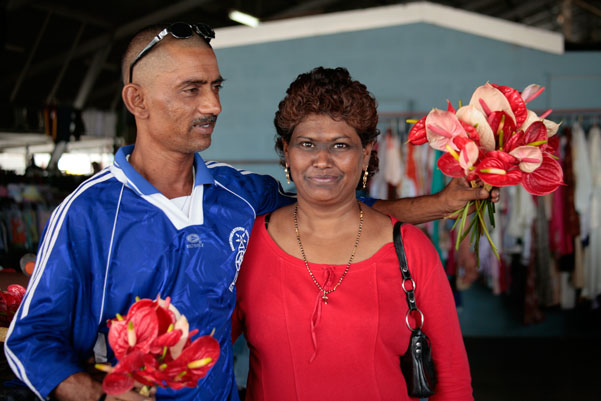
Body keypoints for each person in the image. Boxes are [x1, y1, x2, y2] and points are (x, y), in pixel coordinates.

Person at [5, 23, 488, 401]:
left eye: (216, 86)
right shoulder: (86, 214)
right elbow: (29, 340)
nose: (214, 104)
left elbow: (336, 211)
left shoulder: (240, 196)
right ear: (137, 100)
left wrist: (441, 204)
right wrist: (98, 396)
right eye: (192, 89)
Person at [232, 67, 473, 400]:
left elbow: (453, 383)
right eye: (306, 144)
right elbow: (204, 356)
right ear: (286, 152)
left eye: (340, 145)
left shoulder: (410, 250)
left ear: (366, 153)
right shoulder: (246, 247)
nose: (322, 160)